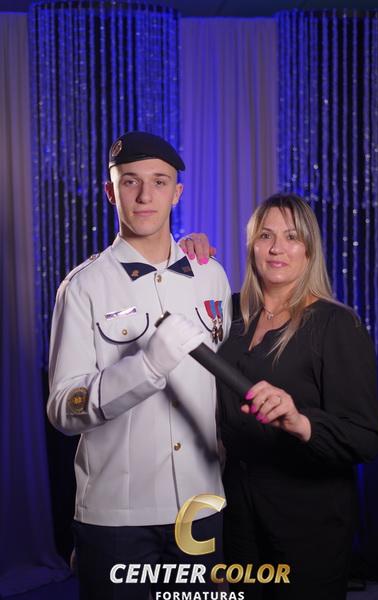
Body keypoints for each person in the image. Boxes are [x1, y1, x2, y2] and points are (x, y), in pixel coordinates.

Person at [47, 131, 232, 600]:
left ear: (177, 192)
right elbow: (64, 408)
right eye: (130, 181)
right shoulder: (83, 287)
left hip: (201, 506)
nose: (145, 195)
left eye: (159, 182)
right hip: (117, 518)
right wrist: (146, 367)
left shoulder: (210, 275)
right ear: (111, 192)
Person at [181, 193, 378, 599]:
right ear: (251, 246)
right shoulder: (230, 314)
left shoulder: (335, 324)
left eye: (291, 237)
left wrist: (300, 421)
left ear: (309, 249)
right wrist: (183, 255)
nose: (276, 248)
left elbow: (366, 438)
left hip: (308, 521)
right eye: (265, 236)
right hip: (237, 513)